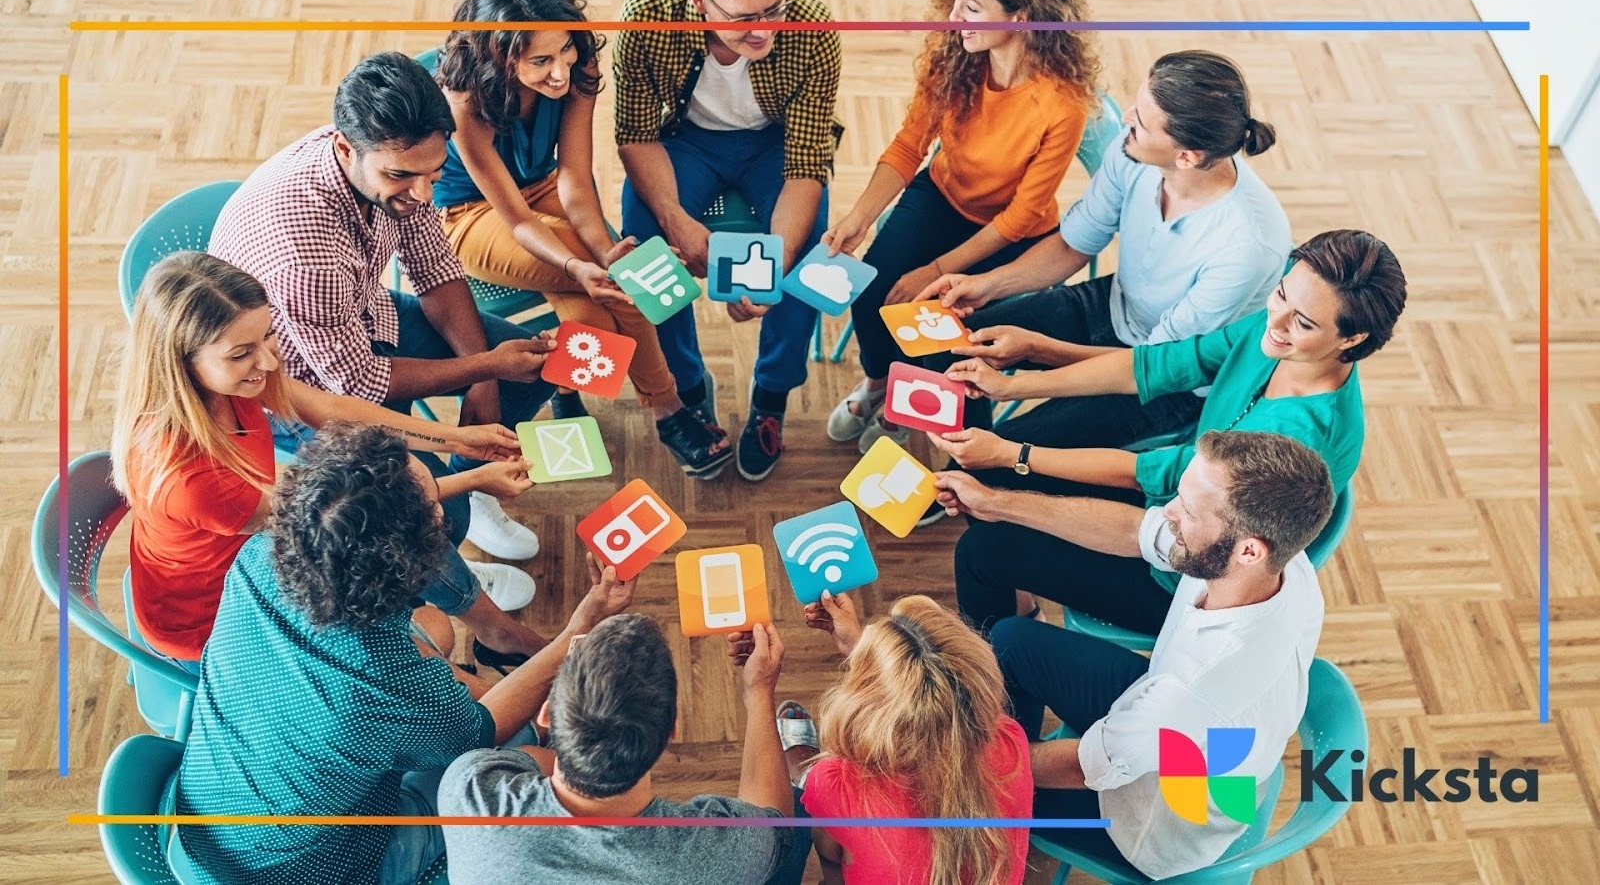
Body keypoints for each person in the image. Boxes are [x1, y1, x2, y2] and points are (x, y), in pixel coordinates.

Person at [167, 423, 639, 885]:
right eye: (434, 510)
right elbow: (480, 731)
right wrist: (580, 628)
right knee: (540, 759)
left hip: (203, 823)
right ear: (409, 562)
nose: (442, 514)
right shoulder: (377, 679)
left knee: (436, 628)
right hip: (318, 870)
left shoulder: (257, 557)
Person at [938, 228, 1406, 634]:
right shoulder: (1280, 335)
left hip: (1187, 573)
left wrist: (1012, 455)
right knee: (996, 486)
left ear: (1352, 339)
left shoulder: (1296, 440)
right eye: (1281, 294)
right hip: (1178, 501)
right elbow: (1160, 365)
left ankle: (998, 687)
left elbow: (1145, 475)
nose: (1276, 320)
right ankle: (1020, 613)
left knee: (984, 550)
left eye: (1302, 322)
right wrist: (1025, 369)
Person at [110, 251, 548, 672]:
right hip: (214, 616)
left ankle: (486, 626)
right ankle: (496, 634)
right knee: (402, 553)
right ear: (180, 362)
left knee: (420, 529)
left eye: (268, 334)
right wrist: (473, 478)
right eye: (241, 353)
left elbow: (335, 409)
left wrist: (459, 440)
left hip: (257, 553)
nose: (269, 360)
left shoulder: (232, 377)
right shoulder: (189, 478)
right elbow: (351, 521)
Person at [209, 50, 553, 562]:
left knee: (531, 373)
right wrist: (484, 367)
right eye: (402, 176)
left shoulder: (396, 164)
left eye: (435, 173)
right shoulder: (305, 257)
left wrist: (483, 379)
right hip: (296, 383)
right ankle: (452, 561)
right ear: (345, 148)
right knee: (423, 512)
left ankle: (472, 482)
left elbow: (434, 267)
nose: (423, 193)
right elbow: (357, 384)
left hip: (363, 311)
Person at [965, 431, 1335, 879]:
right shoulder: (1281, 562)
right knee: (1011, 638)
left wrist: (973, 761)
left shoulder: (1196, 686)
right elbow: (1137, 530)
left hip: (1145, 823)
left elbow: (1086, 767)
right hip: (1171, 726)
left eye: (1188, 510)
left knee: (965, 781)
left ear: (1249, 550)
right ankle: (998, 754)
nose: (1169, 512)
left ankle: (988, 798)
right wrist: (995, 503)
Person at [912, 50, 1292, 479]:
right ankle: (969, 455)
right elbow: (1073, 244)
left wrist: (1032, 352)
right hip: (1116, 305)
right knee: (947, 347)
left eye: (1141, 121)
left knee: (1006, 457)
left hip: (1169, 380)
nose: (1125, 118)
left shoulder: (1246, 247)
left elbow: (1152, 366)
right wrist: (988, 285)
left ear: (1186, 157)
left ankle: (976, 477)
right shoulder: (1132, 150)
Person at [431, 0, 731, 478]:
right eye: (541, 61)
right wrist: (577, 265)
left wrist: (606, 251)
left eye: (566, 49)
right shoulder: (465, 100)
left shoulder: (579, 67)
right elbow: (518, 220)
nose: (560, 72)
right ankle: (666, 408)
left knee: (605, 311)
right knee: (622, 290)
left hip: (544, 185)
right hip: (474, 214)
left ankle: (574, 389)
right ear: (499, 54)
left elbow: (573, 177)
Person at [824, 0, 1101, 454]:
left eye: (971, 7)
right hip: (941, 193)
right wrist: (860, 217)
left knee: (939, 327)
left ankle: (902, 406)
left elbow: (1020, 217)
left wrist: (935, 271)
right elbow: (909, 146)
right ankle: (878, 382)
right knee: (873, 290)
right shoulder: (953, 53)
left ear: (1020, 16)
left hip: (1010, 232)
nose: (954, 16)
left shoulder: (1061, 104)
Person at [614, 0, 842, 481]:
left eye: (773, 10)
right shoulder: (646, 14)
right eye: (744, 19)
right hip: (685, 141)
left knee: (808, 254)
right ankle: (687, 387)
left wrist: (773, 269)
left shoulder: (813, 24)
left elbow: (806, 164)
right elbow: (635, 135)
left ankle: (771, 396)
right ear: (700, 0)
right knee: (645, 247)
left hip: (776, 143)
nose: (764, 30)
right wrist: (675, 220)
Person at [438, 615, 807, 885]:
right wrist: (759, 691)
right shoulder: (721, 853)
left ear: (547, 714)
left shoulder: (470, 791)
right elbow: (772, 821)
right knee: (794, 825)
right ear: (672, 731)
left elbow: (527, 759)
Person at [738, 593, 1033, 885]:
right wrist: (863, 650)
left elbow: (831, 858)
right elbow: (941, 712)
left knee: (818, 811)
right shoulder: (1010, 740)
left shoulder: (838, 784)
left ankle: (802, 777)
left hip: (835, 803)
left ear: (868, 713)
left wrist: (759, 690)